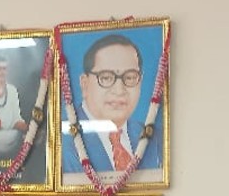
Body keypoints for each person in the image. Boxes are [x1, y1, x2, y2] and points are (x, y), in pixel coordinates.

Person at [60, 33, 162, 174]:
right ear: (85, 84)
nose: (119, 90)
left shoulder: (155, 139)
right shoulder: (62, 142)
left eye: (130, 77)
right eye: (106, 78)